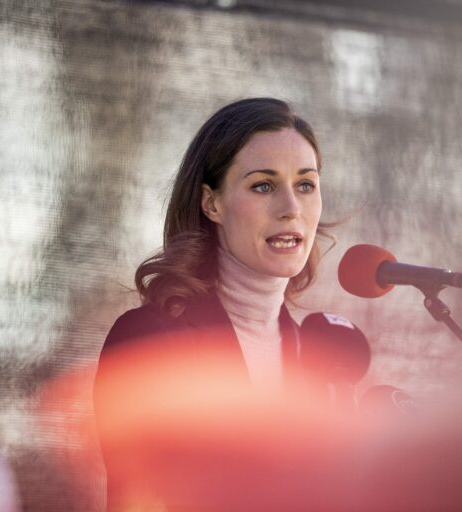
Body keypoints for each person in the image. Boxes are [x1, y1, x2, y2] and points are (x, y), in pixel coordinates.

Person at [93, 97, 334, 510]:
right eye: (263, 186)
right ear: (212, 204)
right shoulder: (149, 340)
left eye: (305, 185)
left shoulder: (320, 361)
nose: (291, 208)